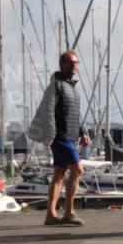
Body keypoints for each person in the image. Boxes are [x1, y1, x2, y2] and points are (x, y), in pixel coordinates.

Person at [37, 50, 91, 226]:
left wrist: (83, 132)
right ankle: (69, 212)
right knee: (78, 170)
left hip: (71, 135)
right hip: (60, 137)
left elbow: (75, 114)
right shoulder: (56, 86)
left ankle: (51, 215)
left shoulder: (72, 87)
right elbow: (48, 111)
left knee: (59, 174)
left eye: (77, 62)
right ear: (63, 65)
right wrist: (51, 134)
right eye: (71, 62)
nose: (75, 65)